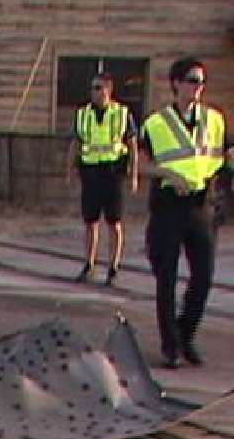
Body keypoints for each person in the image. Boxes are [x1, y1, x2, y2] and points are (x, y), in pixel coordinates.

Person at [139, 57, 234, 369]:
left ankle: (185, 333)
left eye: (202, 82)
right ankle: (170, 346)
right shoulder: (156, 123)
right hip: (169, 205)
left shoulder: (214, 119)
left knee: (203, 277)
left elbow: (221, 154)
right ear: (176, 83)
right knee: (166, 277)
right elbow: (140, 165)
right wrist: (168, 173)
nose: (198, 87)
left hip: (202, 205)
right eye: (192, 80)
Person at [66, 73, 138, 285]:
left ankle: (113, 268)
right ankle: (89, 264)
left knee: (114, 222)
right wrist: (69, 169)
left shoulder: (122, 114)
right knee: (90, 221)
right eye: (93, 88)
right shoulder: (83, 114)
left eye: (99, 88)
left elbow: (133, 146)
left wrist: (134, 174)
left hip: (113, 172)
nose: (95, 93)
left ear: (109, 89)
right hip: (90, 172)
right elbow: (76, 143)